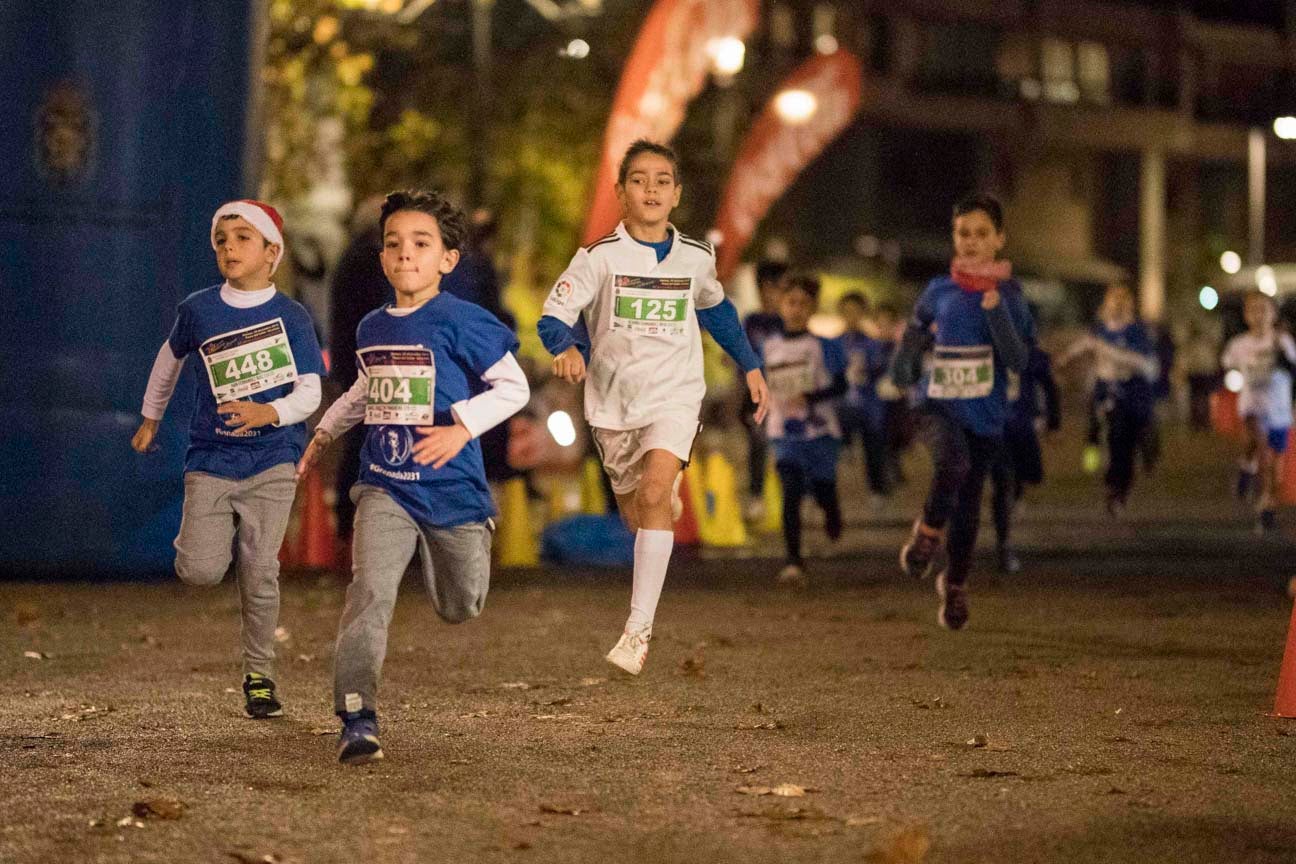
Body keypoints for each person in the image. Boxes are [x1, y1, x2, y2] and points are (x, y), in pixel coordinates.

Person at [297, 190, 530, 764]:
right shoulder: (373, 325)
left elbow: (514, 388)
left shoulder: (465, 320)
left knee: (461, 605)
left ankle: (467, 539)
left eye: (421, 243)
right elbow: (362, 387)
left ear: (448, 259)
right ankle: (356, 715)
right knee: (370, 592)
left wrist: (460, 428)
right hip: (385, 482)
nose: (405, 253)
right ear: (382, 257)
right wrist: (325, 430)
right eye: (394, 243)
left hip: (451, 488)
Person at [538, 139, 769, 675]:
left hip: (675, 395)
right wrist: (566, 347)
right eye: (639, 180)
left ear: (677, 194)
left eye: (662, 180)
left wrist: (751, 366)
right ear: (621, 193)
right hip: (613, 404)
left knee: (653, 491)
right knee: (636, 513)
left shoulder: (695, 257)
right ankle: (661, 505)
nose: (651, 189)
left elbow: (717, 312)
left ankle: (637, 631)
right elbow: (553, 316)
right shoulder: (597, 258)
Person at [131, 199, 325, 719]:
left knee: (261, 570)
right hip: (211, 458)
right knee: (199, 570)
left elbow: (310, 391)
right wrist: (151, 417)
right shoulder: (198, 309)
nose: (230, 248)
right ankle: (208, 538)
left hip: (273, 460)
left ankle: (260, 677)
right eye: (222, 239)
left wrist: (270, 413)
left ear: (272, 252)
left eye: (243, 238)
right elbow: (168, 361)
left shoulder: (291, 316)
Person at [889, 194, 1033, 631]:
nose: (970, 242)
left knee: (970, 503)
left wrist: (998, 316)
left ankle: (955, 586)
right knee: (952, 461)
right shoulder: (938, 290)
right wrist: (906, 362)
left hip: (985, 414)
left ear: (1000, 239)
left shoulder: (1009, 295)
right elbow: (912, 339)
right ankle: (928, 533)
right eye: (962, 233)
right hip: (937, 404)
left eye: (981, 234)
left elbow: (1019, 360)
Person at [763, 274, 846, 586]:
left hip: (820, 432)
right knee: (791, 491)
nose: (796, 309)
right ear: (781, 306)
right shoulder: (769, 346)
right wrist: (749, 408)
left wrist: (809, 396)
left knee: (823, 488)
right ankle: (793, 560)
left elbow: (841, 384)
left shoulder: (824, 346)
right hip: (783, 432)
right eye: (790, 302)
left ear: (813, 308)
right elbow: (758, 382)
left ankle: (831, 509)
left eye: (803, 303)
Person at [1062, 283, 1158, 515]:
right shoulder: (1100, 329)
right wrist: (1063, 359)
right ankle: (1101, 466)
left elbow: (1145, 363)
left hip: (1131, 390)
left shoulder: (1137, 331)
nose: (1117, 305)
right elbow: (1083, 346)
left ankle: (1126, 479)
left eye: (1122, 300)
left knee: (1129, 441)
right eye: (1113, 300)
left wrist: (1113, 354)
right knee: (1111, 434)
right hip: (1107, 389)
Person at [328, 196, 391, 544]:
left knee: (360, 438)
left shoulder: (353, 255)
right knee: (365, 439)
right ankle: (351, 517)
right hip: (368, 364)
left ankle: (349, 516)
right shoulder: (369, 259)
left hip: (353, 361)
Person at [1220, 291, 1296, 533]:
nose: (1259, 315)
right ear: (1246, 315)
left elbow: (1293, 368)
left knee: (1275, 462)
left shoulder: (1282, 341)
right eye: (1254, 310)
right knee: (1257, 445)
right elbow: (1226, 365)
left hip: (1279, 409)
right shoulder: (1239, 344)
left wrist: (1281, 357)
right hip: (1252, 405)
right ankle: (1248, 465)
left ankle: (1266, 506)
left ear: (1273, 314)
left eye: (1264, 309)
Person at [989, 340, 1060, 573]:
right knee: (996, 483)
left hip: (1016, 428)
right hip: (988, 428)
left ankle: (1003, 543)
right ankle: (1001, 545)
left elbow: (1049, 386)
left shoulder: (1029, 354)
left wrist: (1053, 421)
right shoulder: (980, 347)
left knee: (1012, 479)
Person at [838, 291, 895, 508]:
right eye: (847, 312)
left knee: (874, 451)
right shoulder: (835, 343)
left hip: (870, 407)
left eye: (856, 312)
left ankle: (877, 490)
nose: (851, 316)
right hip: (843, 406)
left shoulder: (873, 344)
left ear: (863, 313)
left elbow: (881, 371)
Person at [742, 260, 788, 521]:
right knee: (758, 445)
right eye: (766, 288)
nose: (770, 294)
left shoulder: (788, 322)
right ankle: (757, 497)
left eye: (776, 288)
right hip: (757, 396)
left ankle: (795, 498)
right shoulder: (752, 321)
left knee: (789, 448)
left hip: (786, 396)